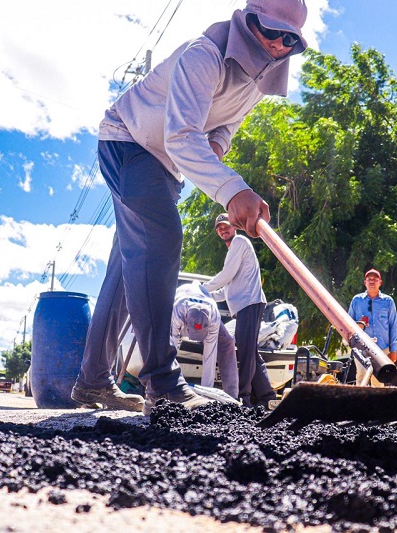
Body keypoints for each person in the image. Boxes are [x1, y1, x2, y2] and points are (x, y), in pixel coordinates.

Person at [70, 0, 308, 414]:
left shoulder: (258, 79)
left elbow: (226, 125)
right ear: (248, 21)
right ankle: (162, 383)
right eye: (271, 31)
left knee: (127, 268)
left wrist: (216, 148)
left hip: (166, 165)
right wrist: (231, 190)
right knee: (160, 239)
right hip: (129, 141)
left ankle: (92, 381)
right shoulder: (206, 54)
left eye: (289, 40)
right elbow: (181, 136)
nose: (277, 44)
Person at [204, 213, 276, 407]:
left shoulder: (239, 242)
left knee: (245, 352)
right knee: (250, 352)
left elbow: (226, 275)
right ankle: (266, 396)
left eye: (226, 226)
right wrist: (205, 295)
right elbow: (226, 291)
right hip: (245, 305)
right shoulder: (232, 252)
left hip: (250, 303)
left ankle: (243, 396)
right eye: (219, 228)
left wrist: (202, 288)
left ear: (234, 226)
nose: (223, 230)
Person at [171, 281, 240, 399]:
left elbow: (210, 356)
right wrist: (175, 385)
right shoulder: (177, 310)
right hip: (182, 298)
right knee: (164, 344)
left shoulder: (214, 316)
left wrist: (207, 393)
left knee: (228, 341)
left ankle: (232, 396)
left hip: (205, 302)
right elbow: (172, 349)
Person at [347, 268, 397, 384]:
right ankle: (360, 397)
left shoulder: (388, 301)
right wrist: (359, 324)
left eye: (375, 279)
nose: (372, 282)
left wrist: (393, 350)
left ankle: (378, 397)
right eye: (369, 279)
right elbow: (348, 324)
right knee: (361, 377)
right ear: (365, 282)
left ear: (380, 282)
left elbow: (393, 326)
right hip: (361, 348)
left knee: (378, 381)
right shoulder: (356, 301)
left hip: (382, 348)